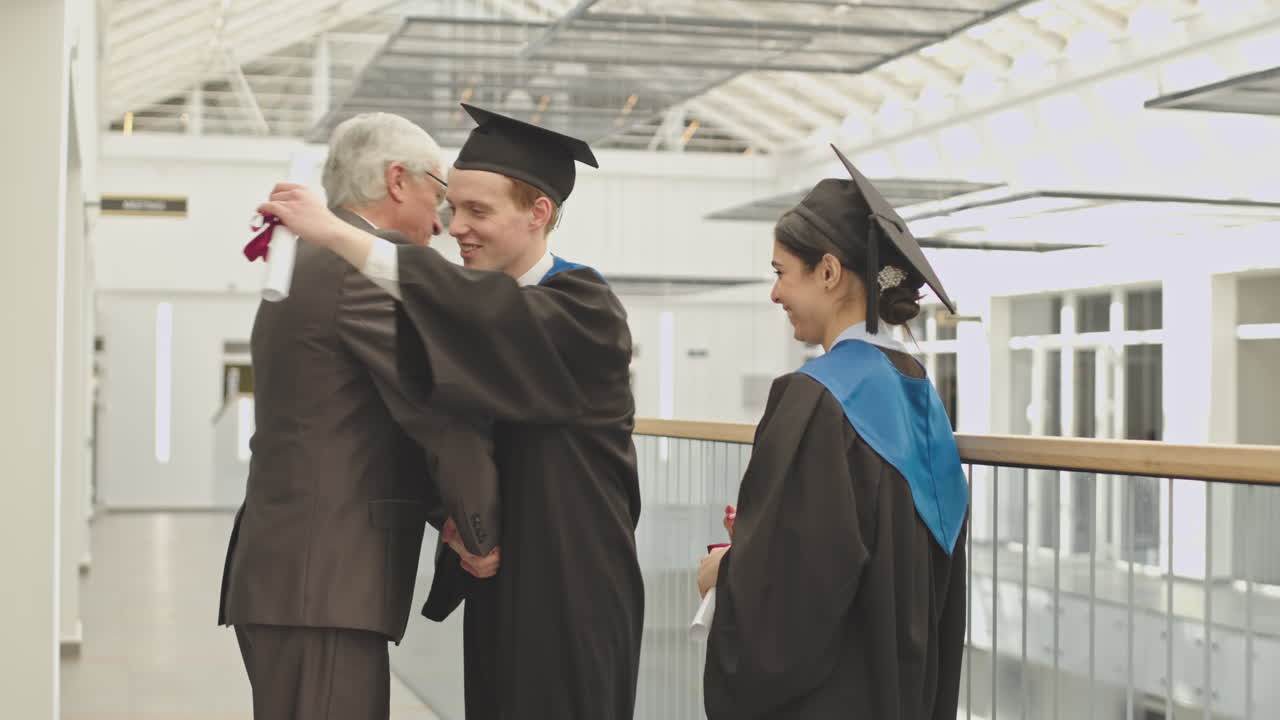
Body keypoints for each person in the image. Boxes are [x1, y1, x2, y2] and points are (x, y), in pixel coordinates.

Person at [258, 104, 644, 720]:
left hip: (572, 582)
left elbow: (481, 309)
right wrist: (458, 521)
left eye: (478, 211)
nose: (451, 227)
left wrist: (335, 233)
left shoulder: (584, 307)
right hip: (497, 582)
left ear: (538, 213)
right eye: (451, 207)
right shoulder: (468, 312)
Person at [219, 112, 501, 720]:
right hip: (321, 583)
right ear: (398, 180)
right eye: (441, 194)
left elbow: (360, 423)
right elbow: (436, 414)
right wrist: (479, 531)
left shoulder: (305, 262)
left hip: (298, 576)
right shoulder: (364, 271)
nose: (444, 222)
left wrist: (442, 515)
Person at [696, 145, 969, 720]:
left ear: (827, 271)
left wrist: (729, 570)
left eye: (780, 273)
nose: (774, 294)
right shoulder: (917, 391)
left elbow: (794, 601)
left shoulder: (816, 399)